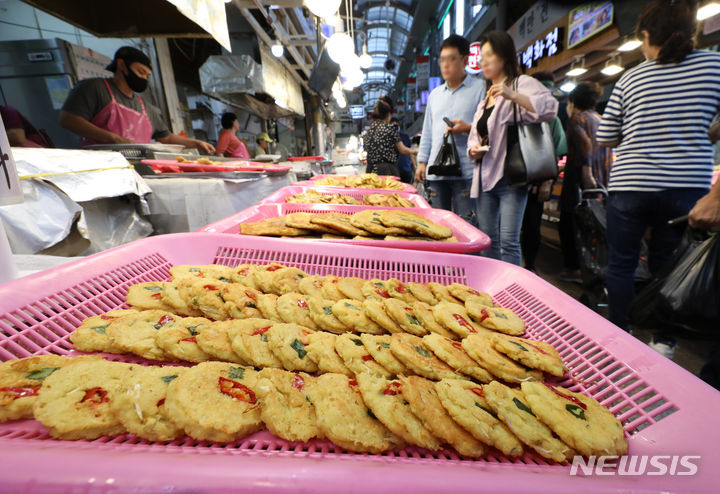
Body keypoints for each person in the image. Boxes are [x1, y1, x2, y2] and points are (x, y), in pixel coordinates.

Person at [597, 0, 720, 332]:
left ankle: (621, 335)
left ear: (648, 35)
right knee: (667, 266)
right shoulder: (714, 66)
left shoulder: (631, 78)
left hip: (631, 185)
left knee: (621, 265)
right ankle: (663, 342)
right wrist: (702, 132)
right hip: (685, 186)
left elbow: (605, 136)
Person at [467, 30, 558, 266]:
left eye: (489, 55)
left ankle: (511, 293)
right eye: (482, 57)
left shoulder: (522, 83)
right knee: (488, 239)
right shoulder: (484, 97)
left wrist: (513, 95)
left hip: (511, 176)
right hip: (485, 175)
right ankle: (491, 290)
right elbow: (475, 136)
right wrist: (474, 150)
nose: (484, 61)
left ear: (505, 57)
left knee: (508, 241)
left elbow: (549, 108)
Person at [59, 46, 214, 153]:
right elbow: (68, 119)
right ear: (121, 64)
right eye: (141, 72)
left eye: (147, 76)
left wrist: (196, 143)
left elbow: (165, 137)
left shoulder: (144, 105)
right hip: (102, 168)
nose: (144, 78)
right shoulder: (95, 88)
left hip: (138, 168)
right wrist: (113, 138)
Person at [416, 34, 485, 226]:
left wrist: (468, 128)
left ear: (465, 60)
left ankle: (469, 257)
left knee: (468, 226)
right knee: (437, 226)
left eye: (452, 59)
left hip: (466, 171)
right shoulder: (435, 95)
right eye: (442, 59)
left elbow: (489, 127)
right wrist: (422, 162)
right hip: (436, 173)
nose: (445, 65)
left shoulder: (480, 88)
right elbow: (428, 131)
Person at [558, 82, 612, 282]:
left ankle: (574, 269)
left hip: (580, 183)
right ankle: (592, 267)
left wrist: (587, 174)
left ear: (572, 101)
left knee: (569, 224)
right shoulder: (600, 119)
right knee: (593, 227)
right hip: (601, 182)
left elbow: (585, 145)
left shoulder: (577, 119)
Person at [521, 72, 567, 273]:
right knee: (510, 231)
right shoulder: (517, 113)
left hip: (536, 184)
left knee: (531, 229)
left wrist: (548, 183)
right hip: (511, 182)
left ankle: (529, 268)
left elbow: (557, 153)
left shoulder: (552, 120)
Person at [364, 96, 417, 176]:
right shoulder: (390, 129)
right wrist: (415, 151)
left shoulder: (369, 132)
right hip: (387, 171)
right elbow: (402, 150)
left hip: (370, 171)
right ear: (389, 114)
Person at [391, 117, 414, 183]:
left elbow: (409, 152)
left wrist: (414, 166)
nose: (395, 128)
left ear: (399, 126)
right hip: (394, 170)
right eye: (392, 125)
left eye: (396, 125)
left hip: (406, 169)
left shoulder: (405, 137)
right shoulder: (387, 138)